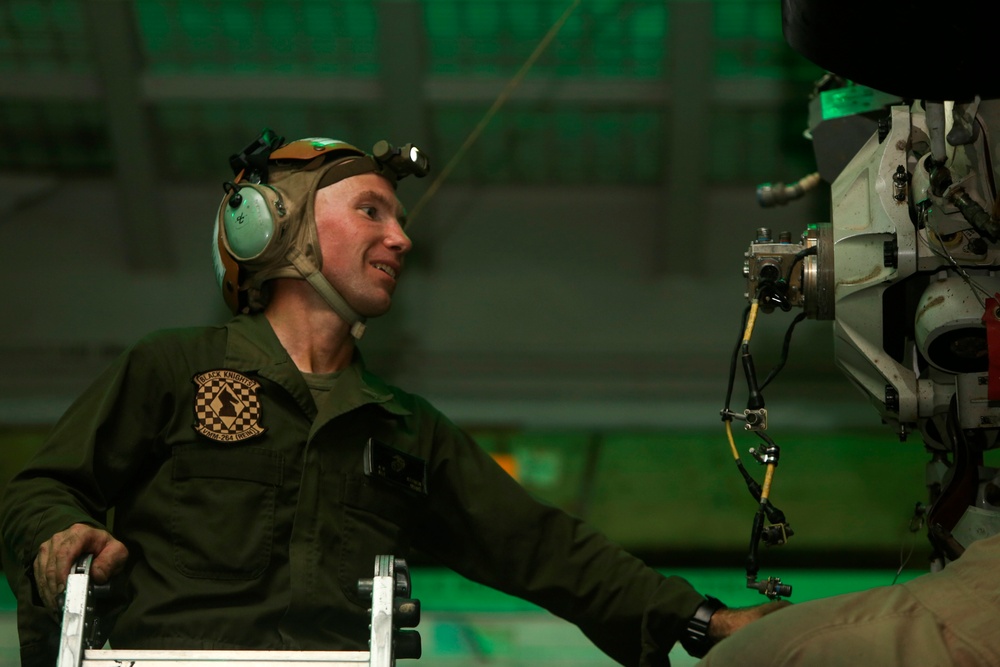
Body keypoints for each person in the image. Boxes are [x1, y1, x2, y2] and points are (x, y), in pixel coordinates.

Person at [0, 130, 788, 667]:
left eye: (400, 219)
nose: (401, 238)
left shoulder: (407, 430)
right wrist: (57, 537)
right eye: (371, 211)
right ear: (268, 228)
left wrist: (702, 621)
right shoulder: (173, 368)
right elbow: (40, 486)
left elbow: (544, 548)